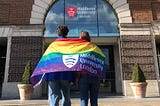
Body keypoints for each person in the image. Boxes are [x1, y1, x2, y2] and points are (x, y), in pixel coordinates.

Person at [46, 25, 75, 106]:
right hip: (66, 74)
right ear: (67, 33)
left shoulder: (52, 45)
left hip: (53, 74)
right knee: (66, 95)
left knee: (54, 96)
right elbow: (73, 61)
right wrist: (73, 77)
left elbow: (47, 61)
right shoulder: (70, 45)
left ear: (57, 33)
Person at [77, 31, 100, 106]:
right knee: (94, 101)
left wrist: (76, 78)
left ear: (80, 37)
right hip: (95, 75)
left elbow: (77, 64)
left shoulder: (79, 48)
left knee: (84, 99)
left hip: (83, 76)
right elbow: (100, 61)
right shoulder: (94, 47)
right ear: (89, 37)